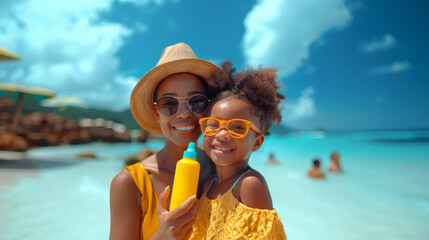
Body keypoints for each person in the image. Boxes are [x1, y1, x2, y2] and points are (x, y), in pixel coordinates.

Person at [109, 43, 220, 240]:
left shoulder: (220, 169)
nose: (184, 114)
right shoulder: (129, 184)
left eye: (196, 101)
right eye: (169, 104)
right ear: (156, 112)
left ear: (208, 108)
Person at [189, 61, 287, 239]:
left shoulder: (249, 185)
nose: (222, 134)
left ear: (257, 143)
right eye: (213, 125)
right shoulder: (208, 184)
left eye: (238, 128)